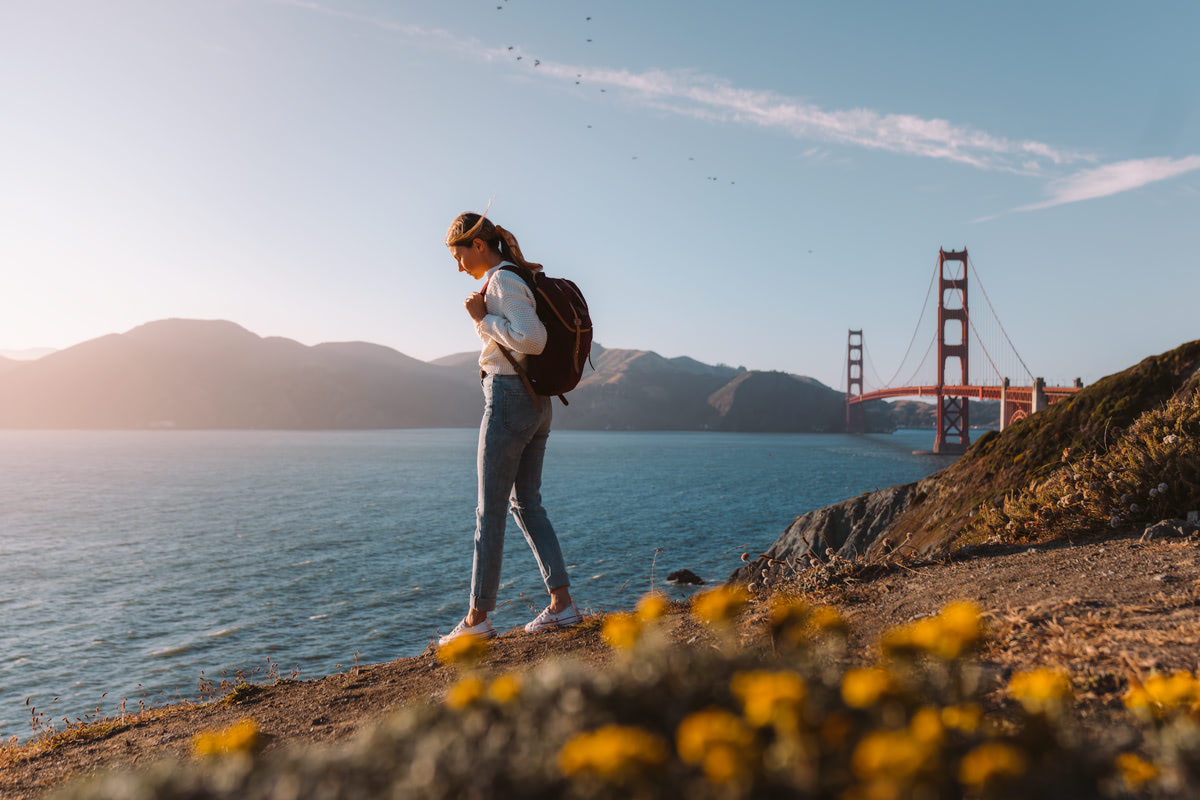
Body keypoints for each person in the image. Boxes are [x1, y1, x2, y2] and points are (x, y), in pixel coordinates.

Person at [438, 212, 581, 645]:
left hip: (508, 398)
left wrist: (482, 319)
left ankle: (477, 620)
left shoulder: (501, 281)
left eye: (459, 255)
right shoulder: (511, 277)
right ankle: (562, 605)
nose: (458, 266)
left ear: (478, 245)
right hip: (535, 403)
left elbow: (532, 339)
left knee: (491, 511)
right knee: (526, 505)